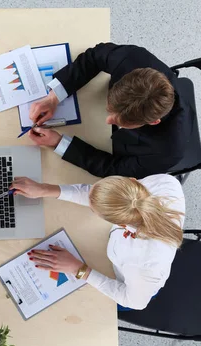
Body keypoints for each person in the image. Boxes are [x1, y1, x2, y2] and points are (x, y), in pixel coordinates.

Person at [10, 173, 185, 310]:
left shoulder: (145, 264)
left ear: (121, 224)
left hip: (128, 286)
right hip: (120, 256)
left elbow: (134, 302)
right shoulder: (165, 184)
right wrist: (44, 189)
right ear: (132, 181)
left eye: (95, 211)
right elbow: (101, 197)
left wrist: (79, 269)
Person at [28, 43, 194, 178]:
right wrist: (54, 97)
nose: (108, 120)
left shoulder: (167, 151)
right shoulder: (131, 58)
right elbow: (93, 58)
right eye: (110, 110)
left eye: (120, 121)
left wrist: (58, 143)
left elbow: (114, 169)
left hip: (127, 148)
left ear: (152, 122)